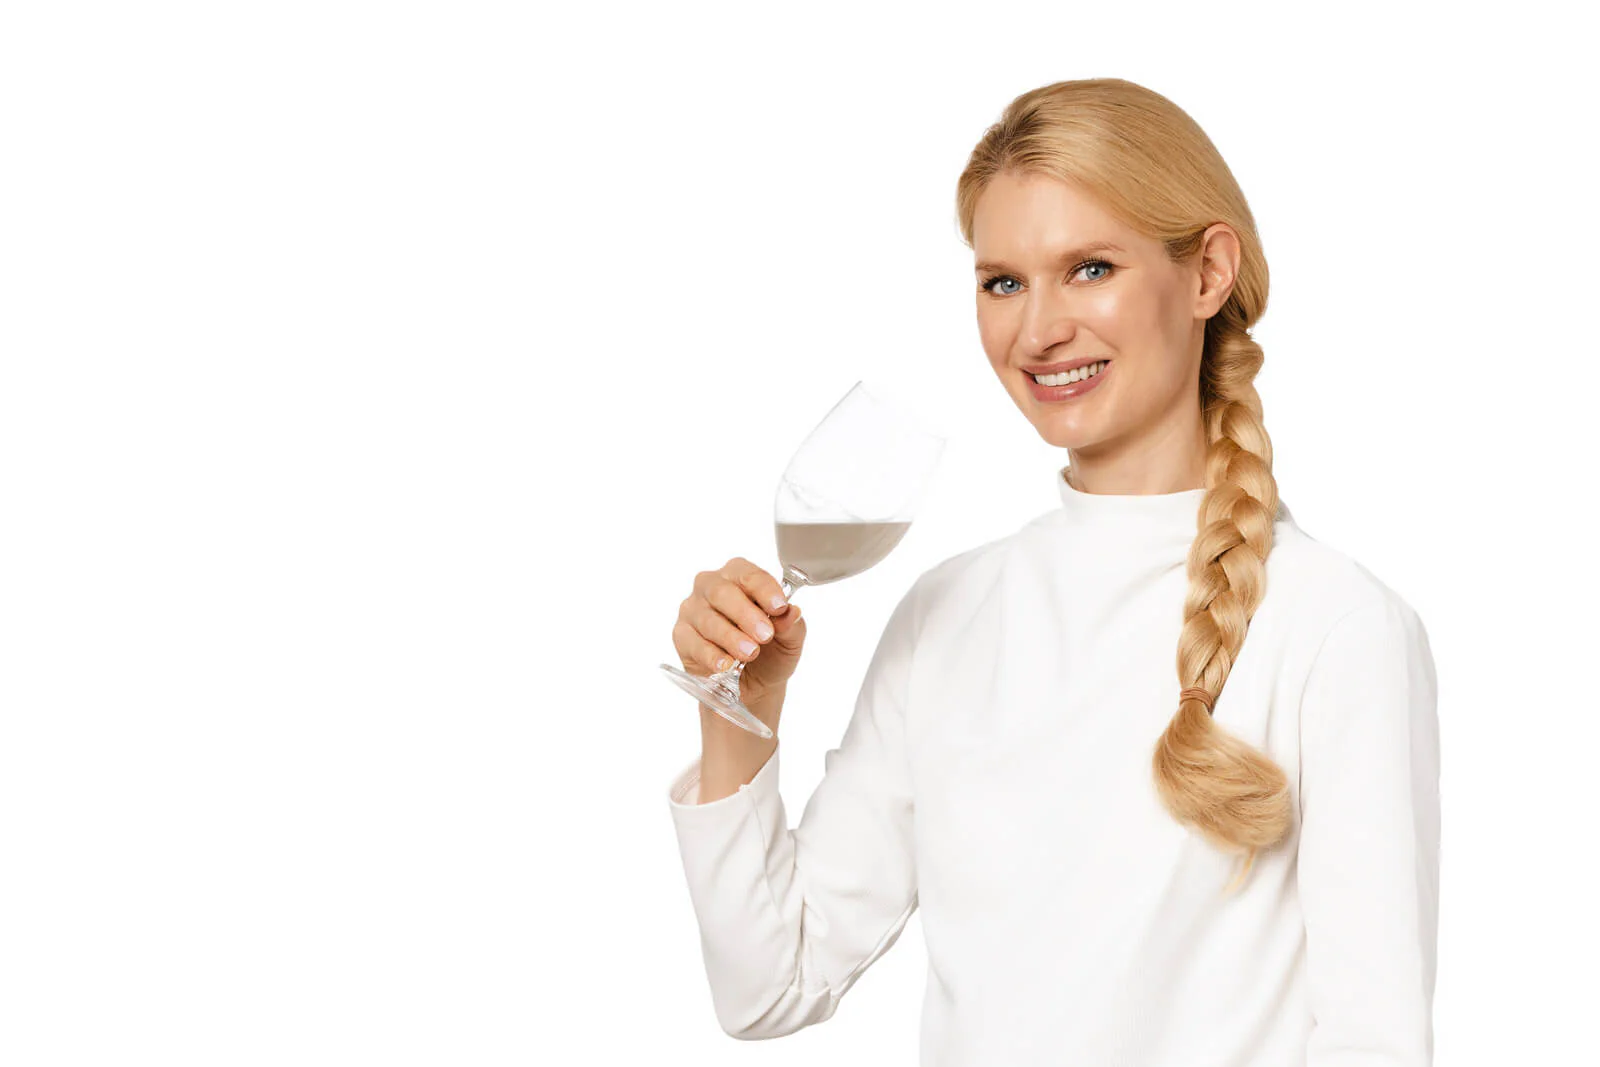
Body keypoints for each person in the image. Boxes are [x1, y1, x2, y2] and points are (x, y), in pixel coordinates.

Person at [661, 77, 1440, 1066]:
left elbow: (1373, 1041)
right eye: (1003, 282)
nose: (1036, 333)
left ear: (1208, 273)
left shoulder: (1336, 625)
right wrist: (739, 710)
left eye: (1089, 268)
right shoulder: (947, 613)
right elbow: (770, 985)